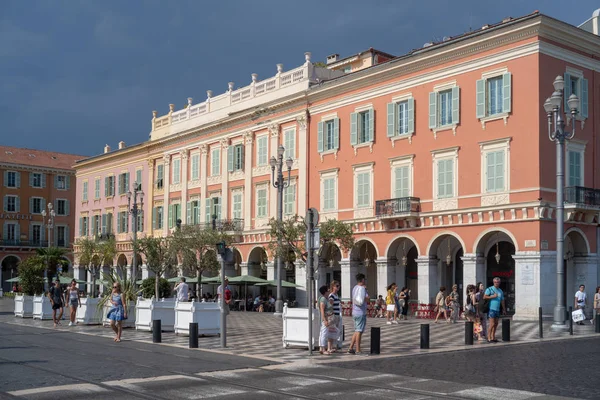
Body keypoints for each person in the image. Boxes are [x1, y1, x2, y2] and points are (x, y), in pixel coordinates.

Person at [347, 273, 369, 355]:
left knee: (356, 330)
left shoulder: (354, 288)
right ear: (362, 280)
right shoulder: (363, 289)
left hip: (354, 312)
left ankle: (350, 348)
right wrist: (366, 291)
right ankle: (358, 350)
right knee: (359, 331)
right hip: (361, 312)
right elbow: (367, 299)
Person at [484, 277, 505, 343]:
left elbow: (502, 300)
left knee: (496, 324)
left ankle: (493, 337)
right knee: (492, 324)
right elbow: (484, 297)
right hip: (491, 308)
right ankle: (489, 337)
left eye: (498, 282)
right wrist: (492, 296)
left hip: (497, 309)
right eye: (495, 282)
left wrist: (504, 309)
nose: (496, 283)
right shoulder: (489, 289)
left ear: (499, 283)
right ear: (493, 282)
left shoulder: (500, 290)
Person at [318, 285, 335, 355]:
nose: (329, 291)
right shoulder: (323, 299)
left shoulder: (325, 298)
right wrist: (325, 320)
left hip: (328, 318)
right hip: (326, 319)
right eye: (328, 290)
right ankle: (323, 349)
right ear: (325, 291)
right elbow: (322, 310)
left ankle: (323, 348)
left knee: (324, 333)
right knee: (324, 333)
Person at [328, 280, 343, 350]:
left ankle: (333, 346)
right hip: (333, 316)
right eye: (337, 286)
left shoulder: (336, 295)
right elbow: (330, 305)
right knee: (331, 331)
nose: (338, 287)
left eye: (339, 285)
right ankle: (329, 347)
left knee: (334, 331)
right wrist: (332, 314)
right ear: (333, 287)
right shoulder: (332, 295)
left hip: (337, 315)